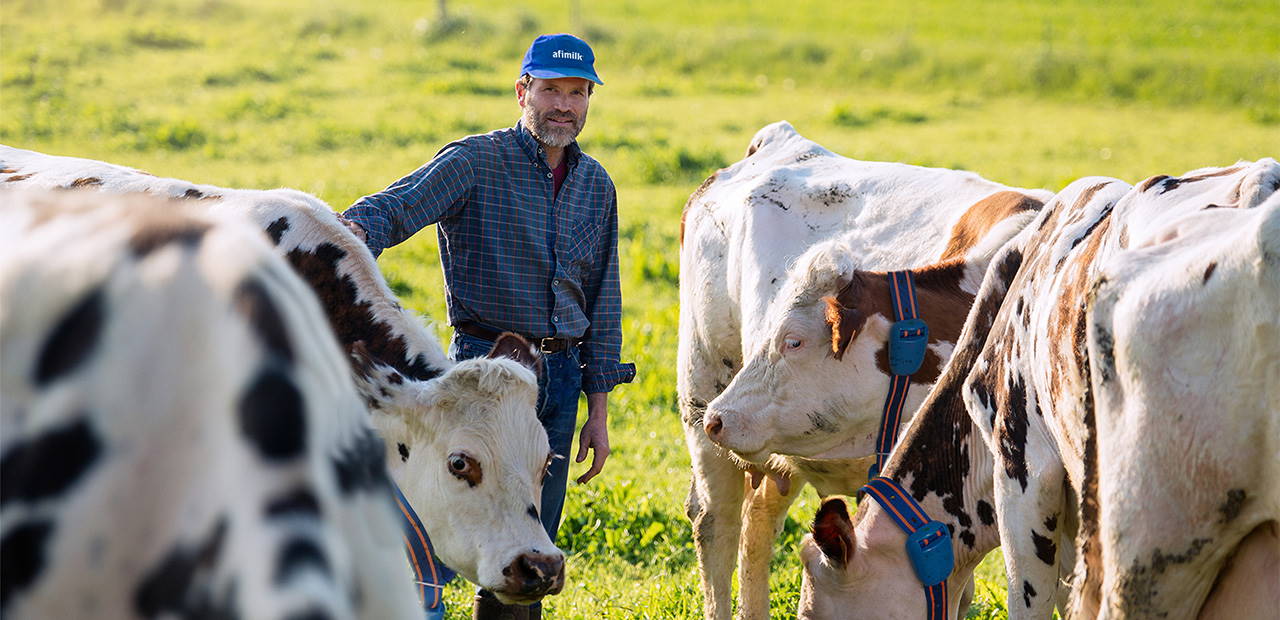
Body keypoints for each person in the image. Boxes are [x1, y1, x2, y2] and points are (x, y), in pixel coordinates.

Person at [339, 33, 634, 620]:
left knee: (529, 548)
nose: (564, 106)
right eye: (551, 90)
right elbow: (396, 207)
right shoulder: (476, 161)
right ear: (522, 90)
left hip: (561, 378)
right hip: (484, 380)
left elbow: (604, 299)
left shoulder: (596, 184)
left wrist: (596, 410)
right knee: (451, 526)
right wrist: (341, 236)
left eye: (578, 94)